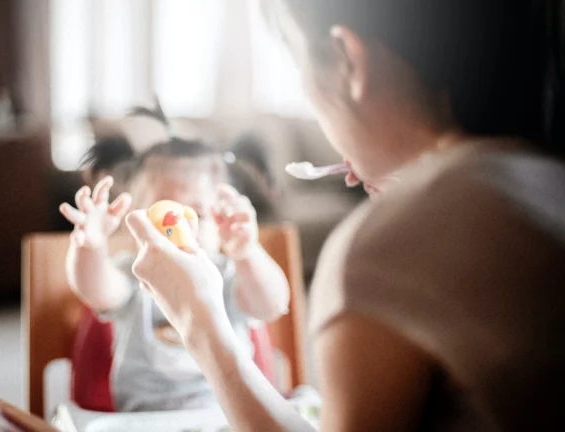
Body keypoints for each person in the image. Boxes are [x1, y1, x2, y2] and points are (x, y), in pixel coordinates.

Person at [122, 0, 565, 430]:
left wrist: (200, 323)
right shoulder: (547, 179)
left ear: (347, 60)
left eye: (298, 66)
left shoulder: (377, 250)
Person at [58, 104, 290, 412]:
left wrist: (247, 252)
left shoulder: (228, 276)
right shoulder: (134, 273)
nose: (181, 229)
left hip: (229, 418)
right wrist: (91, 246)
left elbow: (271, 304)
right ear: (133, 220)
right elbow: (94, 287)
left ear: (220, 220)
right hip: (143, 421)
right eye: (164, 215)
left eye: (198, 214)